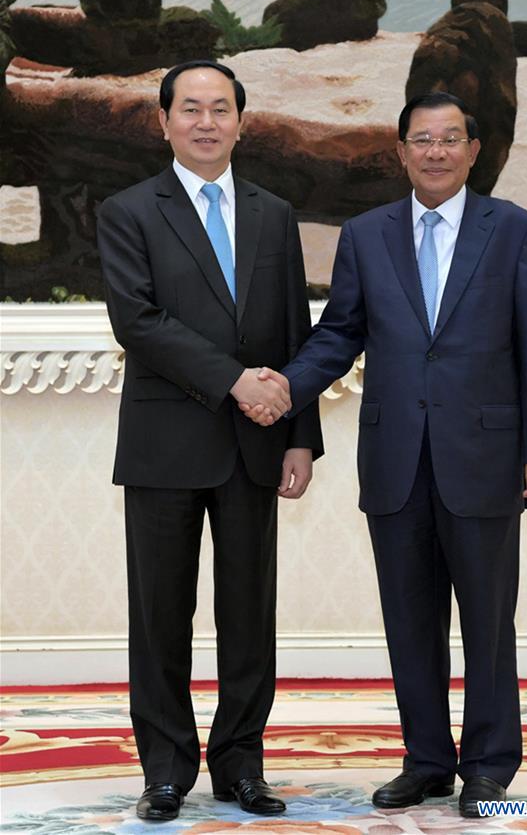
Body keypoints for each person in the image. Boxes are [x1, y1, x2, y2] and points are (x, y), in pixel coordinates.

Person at [242, 92, 527, 818]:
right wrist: (282, 388)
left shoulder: (513, 230)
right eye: (421, 139)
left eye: (451, 138)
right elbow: (337, 334)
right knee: (409, 617)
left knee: (486, 618)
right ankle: (425, 760)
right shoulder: (365, 234)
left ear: (473, 150)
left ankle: (487, 764)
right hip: (394, 457)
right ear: (400, 151)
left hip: (484, 455)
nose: (436, 151)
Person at [97, 59, 323, 822]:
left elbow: (295, 328)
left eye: (219, 108)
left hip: (257, 446)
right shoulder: (129, 210)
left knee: (248, 615)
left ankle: (240, 765)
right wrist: (235, 381)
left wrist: (300, 436)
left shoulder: (273, 211)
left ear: (240, 120)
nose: (204, 121)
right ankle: (164, 768)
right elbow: (139, 321)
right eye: (188, 108)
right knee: (159, 614)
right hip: (165, 442)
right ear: (163, 122)